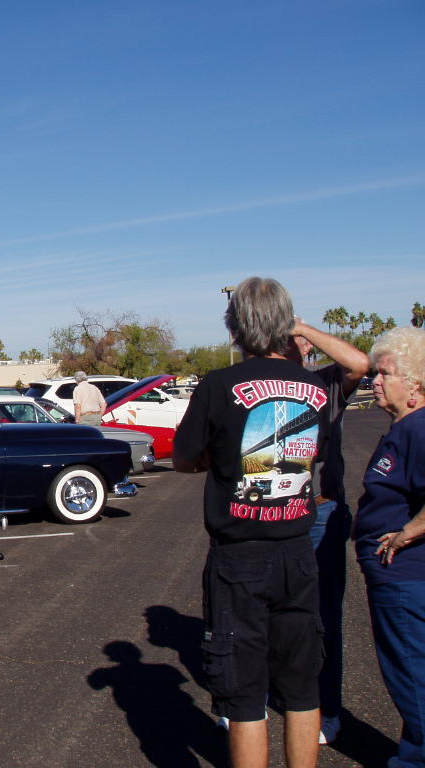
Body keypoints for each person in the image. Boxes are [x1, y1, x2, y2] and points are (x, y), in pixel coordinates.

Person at [173, 277, 328, 768]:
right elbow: (312, 453)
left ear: (235, 326)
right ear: (286, 324)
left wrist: (215, 462)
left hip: (239, 556)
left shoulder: (219, 385)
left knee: (244, 695)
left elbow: (183, 457)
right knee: (301, 687)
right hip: (298, 549)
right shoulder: (314, 387)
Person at [289, 319, 370, 745]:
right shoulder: (256, 385)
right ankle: (259, 701)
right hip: (272, 514)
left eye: (299, 341)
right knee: (269, 614)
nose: (295, 346)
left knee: (324, 618)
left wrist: (302, 327)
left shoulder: (326, 384)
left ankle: (327, 709)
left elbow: (359, 364)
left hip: (320, 511)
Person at [353, 325, 425, 768]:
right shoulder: (403, 427)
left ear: (414, 384)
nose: (375, 381)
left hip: (406, 577)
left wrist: (407, 532)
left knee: (412, 679)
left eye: (385, 373)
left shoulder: (419, 428)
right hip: (399, 578)